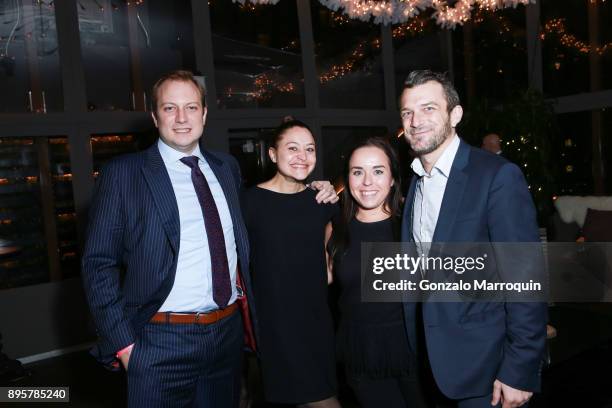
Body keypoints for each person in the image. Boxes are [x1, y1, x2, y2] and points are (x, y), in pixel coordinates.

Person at [81, 70, 337, 408]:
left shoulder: (226, 168)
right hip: (159, 340)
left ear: (204, 113)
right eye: (170, 108)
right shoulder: (125, 173)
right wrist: (125, 346)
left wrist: (317, 187)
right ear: (155, 116)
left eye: (191, 107)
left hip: (226, 337)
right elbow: (98, 264)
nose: (182, 117)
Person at [399, 70, 547, 408]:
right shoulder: (415, 181)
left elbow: (526, 277)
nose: (416, 120)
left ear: (456, 114)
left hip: (489, 371)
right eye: (408, 112)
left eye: (428, 108)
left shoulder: (496, 176)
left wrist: (519, 369)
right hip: (433, 365)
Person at [242, 119, 340, 408]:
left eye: (310, 149)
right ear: (273, 154)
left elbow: (330, 264)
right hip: (276, 327)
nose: (303, 156)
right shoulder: (248, 202)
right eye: (293, 148)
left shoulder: (322, 201)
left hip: (317, 323)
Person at [327, 137, 428, 408]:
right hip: (362, 353)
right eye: (358, 172)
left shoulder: (413, 225)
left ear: (394, 178)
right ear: (347, 179)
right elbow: (311, 286)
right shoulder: (335, 229)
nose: (367, 182)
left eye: (378, 171)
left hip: (415, 350)